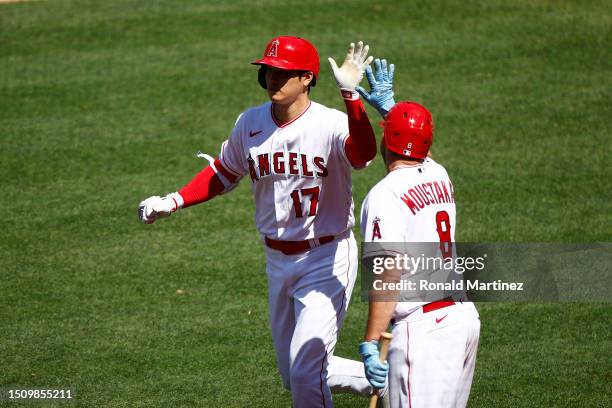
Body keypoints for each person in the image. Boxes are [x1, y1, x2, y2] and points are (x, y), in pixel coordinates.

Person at [138, 36, 377, 407]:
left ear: (307, 78)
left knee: (304, 371)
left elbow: (363, 153)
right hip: (277, 261)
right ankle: (395, 375)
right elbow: (223, 172)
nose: (272, 79)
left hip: (325, 258)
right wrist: (174, 200)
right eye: (268, 71)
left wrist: (351, 96)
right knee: (293, 374)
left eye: (282, 73)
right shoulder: (250, 123)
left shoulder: (331, 124)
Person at [357, 60, 481, 407]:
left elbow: (388, 273)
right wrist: (394, 108)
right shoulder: (438, 174)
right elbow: (421, 151)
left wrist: (370, 341)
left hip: (425, 331)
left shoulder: (385, 195)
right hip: (463, 319)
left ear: (386, 139)